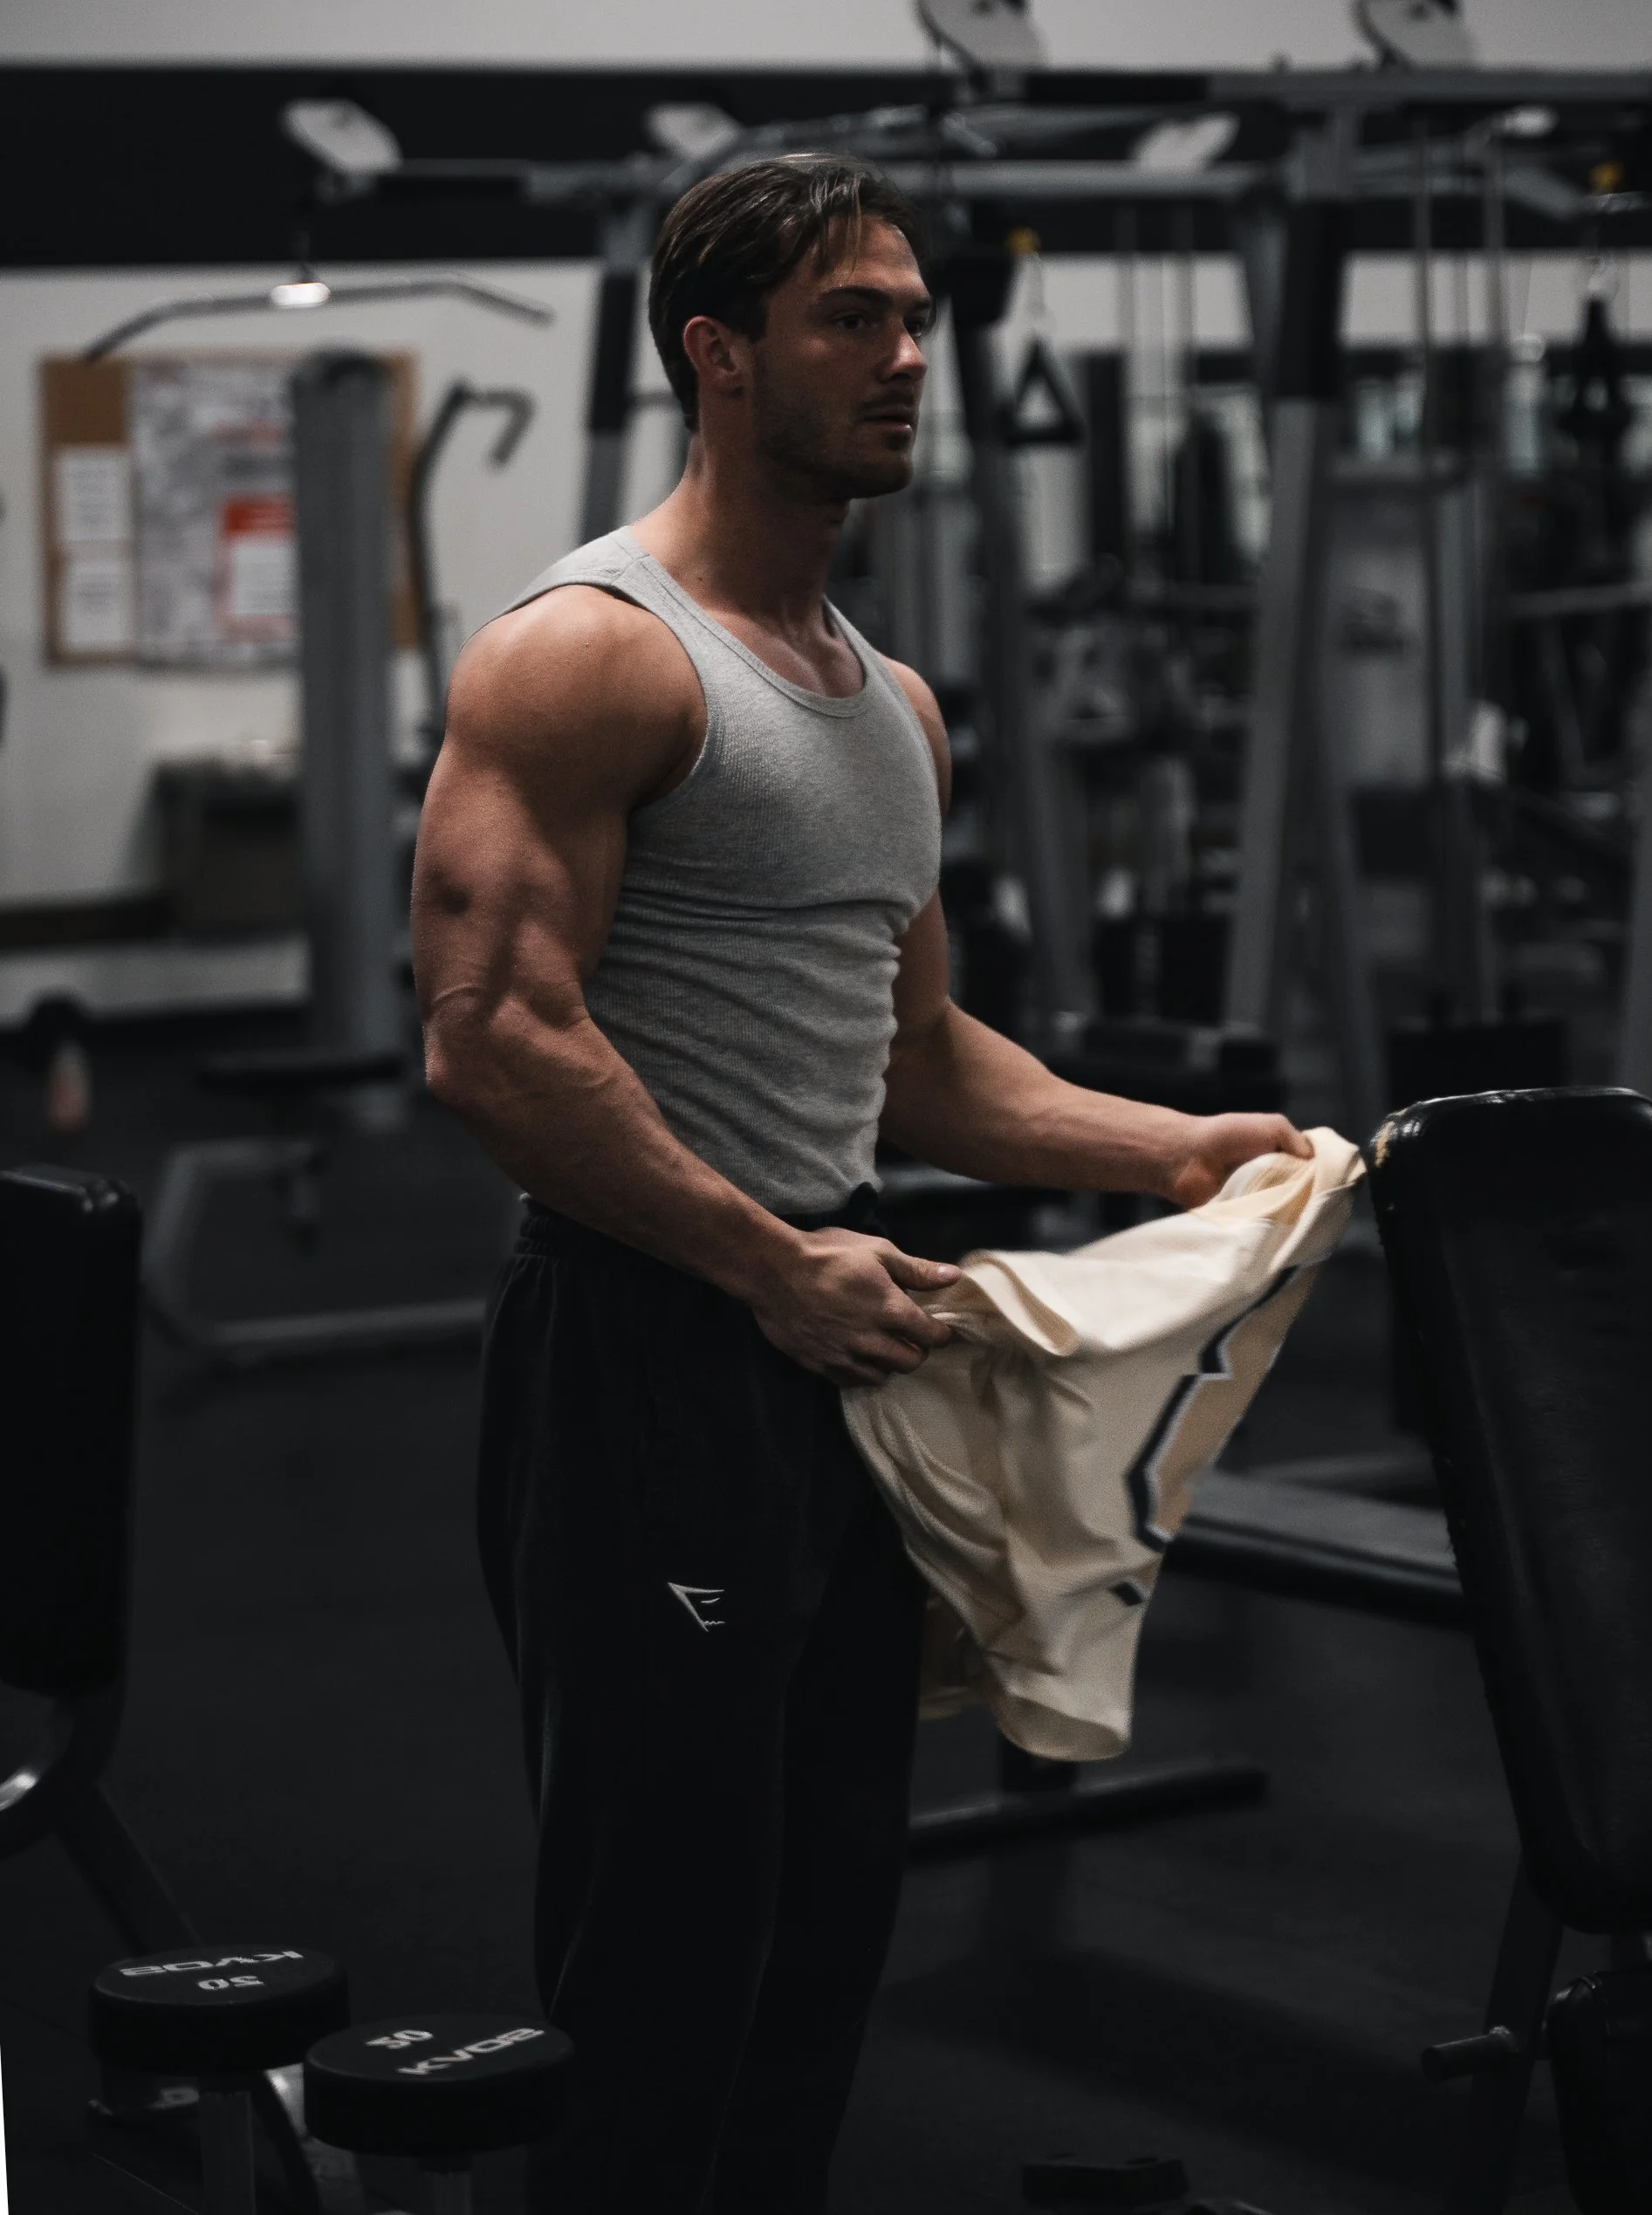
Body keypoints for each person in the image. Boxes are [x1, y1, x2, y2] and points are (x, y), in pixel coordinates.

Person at [410, 153, 1310, 2214]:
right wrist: (769, 1266)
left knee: (825, 1916)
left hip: (835, 1344)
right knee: (666, 1939)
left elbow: (915, 1059)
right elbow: (493, 1034)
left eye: (916, 318)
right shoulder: (592, 656)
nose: (910, 358)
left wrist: (1170, 1146)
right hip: (647, 1338)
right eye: (852, 320)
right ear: (718, 357)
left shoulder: (889, 700)